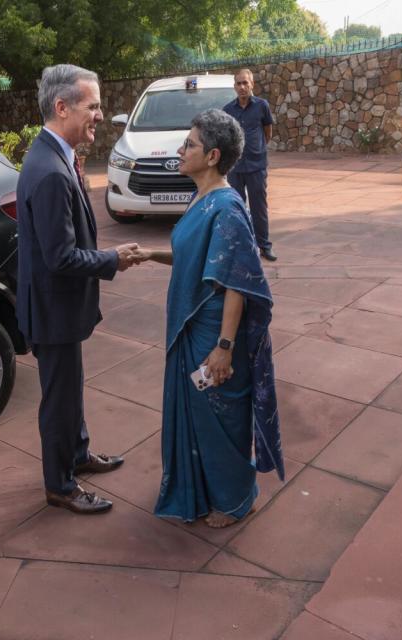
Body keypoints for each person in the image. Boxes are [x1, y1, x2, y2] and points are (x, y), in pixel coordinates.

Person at [135, 109, 284, 529]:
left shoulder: (227, 208)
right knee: (199, 412)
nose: (180, 150)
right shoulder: (201, 198)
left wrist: (224, 347)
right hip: (192, 325)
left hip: (214, 330)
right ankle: (199, 489)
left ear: (213, 155)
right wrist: (150, 254)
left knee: (220, 414)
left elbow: (235, 281)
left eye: (190, 145)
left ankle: (238, 498)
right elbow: (195, 258)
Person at [15, 64, 141, 515]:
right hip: (54, 311)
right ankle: (61, 485)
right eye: (93, 106)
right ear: (62, 107)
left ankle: (78, 454)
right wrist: (113, 260)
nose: (100, 115)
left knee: (70, 390)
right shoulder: (49, 170)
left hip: (59, 308)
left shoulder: (57, 157)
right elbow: (61, 258)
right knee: (60, 400)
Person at [223, 69, 276, 262]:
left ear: (252, 84)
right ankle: (239, 246)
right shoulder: (228, 110)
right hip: (235, 168)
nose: (242, 87)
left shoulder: (262, 106)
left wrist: (258, 149)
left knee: (259, 208)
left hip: (256, 166)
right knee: (236, 208)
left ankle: (264, 246)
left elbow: (267, 132)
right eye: (238, 83)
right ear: (234, 87)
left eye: (245, 83)